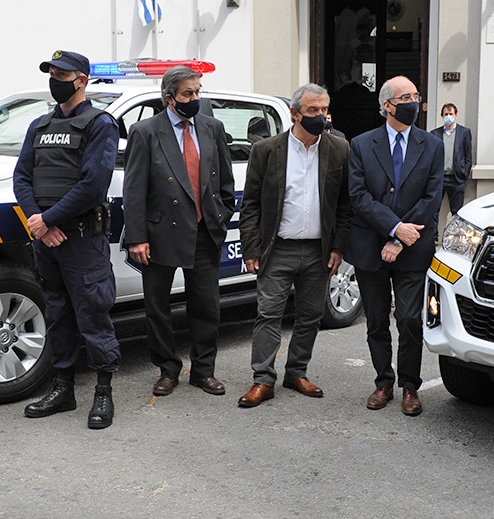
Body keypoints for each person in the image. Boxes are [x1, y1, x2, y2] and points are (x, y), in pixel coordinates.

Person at [13, 50, 120, 430]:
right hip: (48, 239)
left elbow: (93, 185)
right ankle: (63, 389)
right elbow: (21, 177)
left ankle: (103, 393)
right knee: (57, 315)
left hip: (80, 239)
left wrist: (48, 220)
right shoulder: (39, 126)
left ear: (82, 80)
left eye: (63, 73)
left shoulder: (100, 123)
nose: (55, 78)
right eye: (52, 72)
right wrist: (38, 221)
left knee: (93, 314)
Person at [122, 65, 236, 398]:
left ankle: (203, 371)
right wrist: (137, 237)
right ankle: (167, 369)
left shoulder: (212, 127)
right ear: (169, 97)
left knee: (206, 305)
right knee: (157, 307)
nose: (195, 99)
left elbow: (224, 180)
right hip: (159, 235)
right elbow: (134, 189)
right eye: (188, 94)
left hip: (203, 232)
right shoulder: (145, 132)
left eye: (198, 92)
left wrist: (222, 215)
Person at [236, 83, 351, 408]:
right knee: (268, 314)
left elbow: (345, 205)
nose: (320, 116)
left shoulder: (339, 149)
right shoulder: (267, 150)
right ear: (295, 113)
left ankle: (296, 372)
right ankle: (262, 380)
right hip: (278, 249)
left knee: (310, 316)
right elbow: (251, 206)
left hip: (318, 250)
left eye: (324, 110)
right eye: (313, 111)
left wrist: (337, 247)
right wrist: (252, 249)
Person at [346, 75, 443, 417]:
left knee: (409, 319)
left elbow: (432, 197)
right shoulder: (361, 144)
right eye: (405, 97)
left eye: (416, 95)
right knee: (375, 320)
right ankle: (383, 381)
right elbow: (359, 196)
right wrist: (394, 229)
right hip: (370, 246)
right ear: (387, 105)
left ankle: (410, 386)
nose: (413, 102)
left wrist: (400, 239)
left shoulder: (431, 145)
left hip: (413, 248)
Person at [430, 103, 472, 215]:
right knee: (434, 210)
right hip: (440, 179)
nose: (449, 116)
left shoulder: (464, 132)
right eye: (446, 114)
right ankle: (434, 233)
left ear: (456, 115)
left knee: (457, 212)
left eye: (451, 114)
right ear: (442, 116)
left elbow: (468, 156)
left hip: (457, 179)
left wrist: (464, 174)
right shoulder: (434, 134)